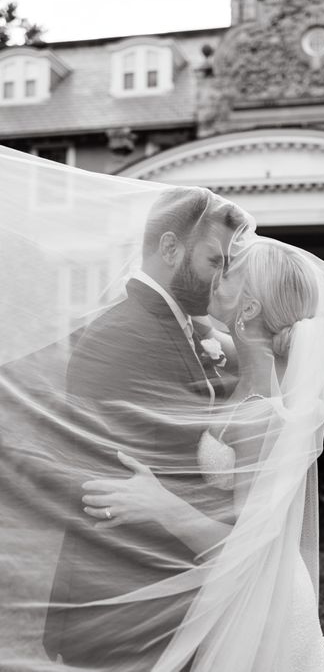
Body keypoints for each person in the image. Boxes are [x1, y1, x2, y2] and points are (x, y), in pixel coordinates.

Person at [82, 236, 324, 671]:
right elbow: (189, 326)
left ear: (251, 310)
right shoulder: (249, 364)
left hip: (261, 599)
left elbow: (248, 548)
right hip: (237, 591)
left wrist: (159, 503)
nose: (215, 281)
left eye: (228, 277)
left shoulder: (260, 417)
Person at [42, 187, 253, 671]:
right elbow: (108, 485)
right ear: (170, 248)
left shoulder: (182, 328)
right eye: (212, 260)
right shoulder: (124, 336)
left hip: (169, 585)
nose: (220, 278)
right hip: (123, 601)